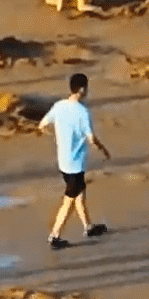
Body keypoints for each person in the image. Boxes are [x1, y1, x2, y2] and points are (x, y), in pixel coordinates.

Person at [42, 73, 105, 250]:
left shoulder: (59, 106)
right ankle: (54, 235)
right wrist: (103, 150)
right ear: (83, 89)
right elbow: (92, 138)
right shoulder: (83, 112)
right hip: (75, 164)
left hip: (63, 162)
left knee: (80, 193)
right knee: (69, 201)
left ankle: (88, 227)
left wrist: (56, 137)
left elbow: (42, 125)